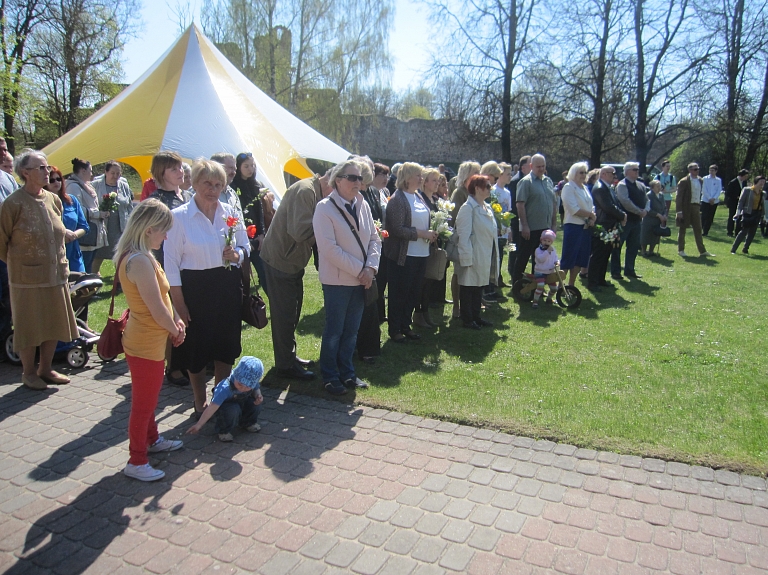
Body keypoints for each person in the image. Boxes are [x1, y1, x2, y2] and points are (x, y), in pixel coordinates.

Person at [164, 159, 250, 416]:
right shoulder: (179, 217)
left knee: (225, 347)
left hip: (226, 288)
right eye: (207, 183)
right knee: (197, 350)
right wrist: (179, 304)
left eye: (218, 184)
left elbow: (246, 246)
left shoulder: (230, 214)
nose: (213, 189)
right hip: (195, 290)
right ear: (195, 183)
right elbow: (171, 265)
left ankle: (219, 397)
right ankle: (199, 401)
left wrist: (237, 255)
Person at [113, 199, 185, 481]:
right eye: (163, 231)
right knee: (143, 404)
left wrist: (175, 319)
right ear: (148, 229)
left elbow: (163, 301)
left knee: (150, 397)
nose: (166, 236)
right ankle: (136, 460)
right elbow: (156, 308)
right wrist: (175, 329)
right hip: (145, 343)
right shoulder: (140, 260)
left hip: (147, 340)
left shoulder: (139, 255)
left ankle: (152, 440)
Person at [0, 150, 78, 390]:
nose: (48, 172)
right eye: (41, 168)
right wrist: (20, 264)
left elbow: (57, 233)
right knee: (29, 326)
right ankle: (28, 372)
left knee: (53, 322)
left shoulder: (53, 200)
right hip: (26, 278)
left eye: (46, 167)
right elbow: (1, 243)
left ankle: (45, 368)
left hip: (55, 274)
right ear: (25, 173)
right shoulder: (13, 204)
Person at [314, 160, 380, 395]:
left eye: (360, 178)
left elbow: (374, 238)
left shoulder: (363, 204)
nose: (358, 182)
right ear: (337, 180)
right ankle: (330, 376)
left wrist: (371, 269)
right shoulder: (324, 208)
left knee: (352, 331)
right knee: (334, 331)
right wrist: (360, 270)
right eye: (352, 178)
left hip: (361, 278)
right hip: (338, 281)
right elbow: (329, 249)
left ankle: (348, 373)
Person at [261, 170, 332, 380]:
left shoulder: (313, 191)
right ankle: (284, 365)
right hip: (281, 261)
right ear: (332, 180)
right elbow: (299, 231)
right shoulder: (305, 191)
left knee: (291, 312)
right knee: (284, 315)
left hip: (289, 262)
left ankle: (288, 357)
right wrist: (328, 225)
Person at [382, 162, 437, 343]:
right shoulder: (397, 199)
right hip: (403, 256)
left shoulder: (418, 197)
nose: (421, 179)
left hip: (421, 254)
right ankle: (395, 329)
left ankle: (406, 326)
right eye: (418, 176)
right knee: (399, 293)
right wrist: (421, 233)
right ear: (407, 178)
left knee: (413, 292)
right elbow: (397, 229)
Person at [187, 356, 264, 442]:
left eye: (248, 386)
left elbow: (256, 388)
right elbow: (212, 407)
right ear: (236, 375)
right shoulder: (224, 388)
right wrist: (199, 425)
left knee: (255, 404)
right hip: (226, 408)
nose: (243, 388)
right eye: (240, 384)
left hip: (242, 403)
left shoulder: (252, 384)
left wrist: (258, 395)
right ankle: (223, 430)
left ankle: (248, 422)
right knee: (232, 410)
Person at [455, 175, 498, 329]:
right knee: (468, 286)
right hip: (472, 253)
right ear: (477, 188)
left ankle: (476, 316)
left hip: (484, 253)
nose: (490, 189)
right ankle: (467, 319)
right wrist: (467, 257)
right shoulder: (467, 208)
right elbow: (463, 235)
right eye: (487, 186)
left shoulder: (486, 207)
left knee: (479, 286)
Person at [513, 154, 557, 284]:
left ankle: (538, 284)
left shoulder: (548, 181)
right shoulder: (526, 182)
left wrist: (554, 224)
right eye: (538, 166)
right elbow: (520, 204)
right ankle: (517, 284)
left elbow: (553, 203)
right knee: (523, 256)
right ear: (531, 166)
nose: (541, 169)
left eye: (543, 166)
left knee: (541, 259)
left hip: (545, 228)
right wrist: (525, 225)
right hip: (531, 228)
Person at [231, 152, 268, 295]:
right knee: (242, 277)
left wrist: (261, 234)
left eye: (252, 165)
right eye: (246, 166)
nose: (250, 169)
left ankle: (275, 303)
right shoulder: (233, 187)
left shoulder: (255, 185)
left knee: (264, 271)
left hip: (256, 238)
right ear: (238, 167)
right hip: (240, 238)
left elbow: (259, 211)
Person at [448, 161, 481, 317]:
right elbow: (455, 218)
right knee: (459, 272)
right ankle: (456, 306)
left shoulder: (476, 192)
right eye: (475, 172)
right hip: (462, 239)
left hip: (477, 240)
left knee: (472, 272)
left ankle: (471, 303)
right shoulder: (459, 192)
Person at [91, 161, 135, 275]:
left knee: (120, 254)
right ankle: (93, 279)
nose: (115, 176)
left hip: (120, 226)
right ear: (106, 172)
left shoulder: (124, 185)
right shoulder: (95, 185)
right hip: (102, 226)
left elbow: (129, 205)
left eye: (118, 173)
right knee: (98, 255)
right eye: (112, 173)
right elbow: (90, 204)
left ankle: (121, 281)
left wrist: (131, 222)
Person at [66, 158, 109, 273]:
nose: (91, 174)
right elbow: (77, 209)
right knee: (84, 266)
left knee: (89, 265)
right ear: (82, 171)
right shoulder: (73, 187)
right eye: (90, 171)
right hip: (84, 236)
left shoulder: (87, 186)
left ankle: (90, 288)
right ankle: (82, 289)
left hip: (93, 233)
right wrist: (98, 214)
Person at [588, 166, 627, 291]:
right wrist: (622, 216)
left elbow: (616, 204)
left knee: (606, 254)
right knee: (598, 255)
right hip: (602, 225)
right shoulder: (600, 188)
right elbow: (608, 207)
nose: (614, 176)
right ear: (604, 174)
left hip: (610, 225)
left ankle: (601, 279)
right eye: (612, 173)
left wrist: (622, 214)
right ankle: (593, 282)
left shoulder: (608, 187)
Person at [560, 162, 596, 286]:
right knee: (569, 257)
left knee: (580, 258)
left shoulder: (584, 188)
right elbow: (573, 209)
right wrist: (590, 215)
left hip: (586, 227)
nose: (583, 175)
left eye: (585, 172)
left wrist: (592, 217)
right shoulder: (569, 187)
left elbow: (591, 205)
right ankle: (560, 286)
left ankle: (571, 285)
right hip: (573, 226)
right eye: (581, 172)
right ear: (574, 173)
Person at [47, 166, 88, 273]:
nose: (56, 182)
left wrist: (74, 235)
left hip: (73, 250)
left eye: (58, 179)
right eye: (51, 180)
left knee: (81, 284)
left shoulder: (71, 200)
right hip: (53, 252)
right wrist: (63, 233)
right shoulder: (42, 203)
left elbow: (84, 226)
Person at [414, 167, 441, 328]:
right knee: (422, 282)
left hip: (432, 245)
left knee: (429, 281)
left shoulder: (434, 200)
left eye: (438, 180)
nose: (437, 183)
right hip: (422, 246)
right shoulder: (421, 199)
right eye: (434, 180)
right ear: (424, 183)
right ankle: (418, 314)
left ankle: (425, 312)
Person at [612, 162, 649, 279]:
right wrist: (639, 211)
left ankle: (629, 270)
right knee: (618, 246)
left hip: (637, 221)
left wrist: (646, 210)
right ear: (627, 171)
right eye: (634, 170)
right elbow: (625, 202)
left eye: (637, 169)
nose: (637, 171)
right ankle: (616, 272)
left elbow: (647, 199)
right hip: (625, 221)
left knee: (633, 247)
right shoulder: (622, 185)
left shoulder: (641, 185)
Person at [676, 162, 714, 258]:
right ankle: (681, 250)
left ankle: (702, 251)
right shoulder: (684, 181)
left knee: (698, 229)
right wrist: (679, 211)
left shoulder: (700, 180)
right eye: (695, 169)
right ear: (690, 170)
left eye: (698, 169)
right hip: (686, 207)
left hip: (696, 206)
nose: (697, 171)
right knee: (683, 228)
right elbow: (679, 197)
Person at [507, 156, 532, 287]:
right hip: (517, 221)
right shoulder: (516, 181)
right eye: (530, 164)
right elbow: (514, 203)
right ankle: (513, 272)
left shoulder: (532, 180)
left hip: (527, 220)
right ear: (523, 167)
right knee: (515, 248)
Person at [731, 176, 765, 255]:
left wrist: (764, 216)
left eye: (764, 182)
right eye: (761, 181)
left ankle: (745, 249)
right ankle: (733, 249)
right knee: (744, 231)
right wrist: (738, 212)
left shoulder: (763, 193)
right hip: (748, 213)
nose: (762, 183)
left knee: (752, 232)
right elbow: (741, 202)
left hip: (757, 214)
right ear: (756, 181)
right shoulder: (747, 190)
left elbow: (763, 205)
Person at [532, 230, 559, 308]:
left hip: (550, 272)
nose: (546, 242)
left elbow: (555, 257)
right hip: (540, 272)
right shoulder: (538, 250)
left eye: (549, 241)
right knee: (540, 285)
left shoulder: (552, 249)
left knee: (554, 288)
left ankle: (549, 299)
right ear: (541, 240)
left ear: (551, 242)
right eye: (544, 240)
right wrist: (547, 252)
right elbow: (541, 259)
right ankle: (535, 302)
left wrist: (557, 262)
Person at [641, 180, 668, 257]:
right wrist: (658, 215)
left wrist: (664, 215)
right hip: (649, 218)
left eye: (660, 186)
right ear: (652, 187)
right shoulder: (649, 195)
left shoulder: (661, 195)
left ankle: (651, 251)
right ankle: (643, 251)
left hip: (658, 220)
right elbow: (648, 208)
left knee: (655, 236)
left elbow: (665, 207)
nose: (659, 188)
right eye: (657, 186)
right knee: (646, 235)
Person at [725, 169, 749, 237]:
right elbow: (728, 193)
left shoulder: (744, 182)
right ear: (742, 175)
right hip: (733, 202)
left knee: (740, 217)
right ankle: (730, 231)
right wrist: (736, 197)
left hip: (741, 203)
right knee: (732, 216)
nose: (746, 178)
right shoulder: (733, 182)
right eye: (745, 176)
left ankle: (737, 232)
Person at [701, 165, 722, 236]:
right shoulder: (705, 179)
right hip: (705, 200)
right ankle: (700, 230)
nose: (711, 172)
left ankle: (706, 231)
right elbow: (704, 189)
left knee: (710, 217)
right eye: (710, 170)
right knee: (703, 216)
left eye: (713, 170)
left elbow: (719, 190)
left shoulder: (718, 180)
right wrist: (709, 198)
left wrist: (714, 198)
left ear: (716, 171)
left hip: (714, 201)